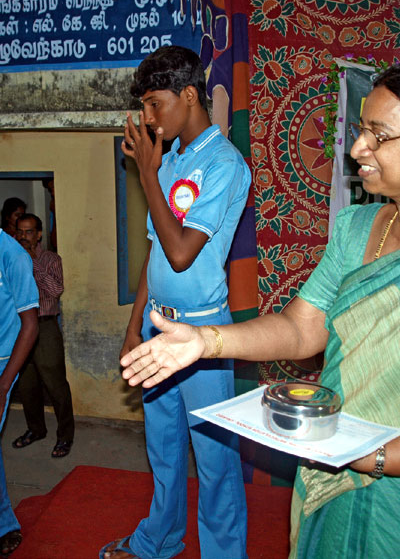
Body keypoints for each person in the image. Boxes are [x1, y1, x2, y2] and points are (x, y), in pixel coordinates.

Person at [119, 60, 400, 558]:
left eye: (380, 137)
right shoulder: (359, 228)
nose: (358, 149)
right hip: (334, 479)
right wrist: (206, 341)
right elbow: (301, 329)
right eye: (361, 131)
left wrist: (371, 455)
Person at [100, 46, 250, 559]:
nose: (147, 119)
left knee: (214, 463)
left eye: (153, 105)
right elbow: (156, 253)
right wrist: (134, 324)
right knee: (163, 452)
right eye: (142, 108)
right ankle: (157, 542)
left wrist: (146, 173)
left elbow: (183, 253)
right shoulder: (172, 162)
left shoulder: (224, 164)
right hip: (156, 328)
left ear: (189, 96)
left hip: (202, 337)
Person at [11, 213, 74, 458]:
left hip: (45, 326)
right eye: (21, 232)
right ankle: (35, 429)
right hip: (20, 327)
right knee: (27, 385)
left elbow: (56, 290)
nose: (24, 236)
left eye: (29, 232)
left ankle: (65, 436)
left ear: (38, 234)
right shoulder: (11, 260)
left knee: (56, 385)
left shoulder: (50, 259)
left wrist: (33, 261)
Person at [0, 225, 39, 555]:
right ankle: (3, 522)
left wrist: (3, 385)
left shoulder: (11, 255)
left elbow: (30, 325)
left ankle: (4, 524)